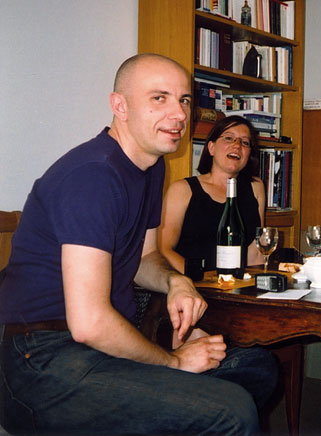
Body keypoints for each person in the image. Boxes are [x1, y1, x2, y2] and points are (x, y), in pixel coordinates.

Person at [0, 53, 277, 435]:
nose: (179, 114)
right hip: (43, 358)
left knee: (256, 368)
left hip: (104, 344)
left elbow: (147, 257)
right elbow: (90, 323)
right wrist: (174, 363)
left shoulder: (151, 168)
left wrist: (175, 282)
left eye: (183, 100)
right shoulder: (94, 176)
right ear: (120, 105)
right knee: (232, 410)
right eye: (159, 98)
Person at [160, 115, 266, 274]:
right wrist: (197, 280)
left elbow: (255, 252)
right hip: (192, 285)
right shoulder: (182, 190)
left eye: (245, 142)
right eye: (229, 138)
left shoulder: (256, 187)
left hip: (237, 286)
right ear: (211, 147)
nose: (237, 145)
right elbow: (163, 249)